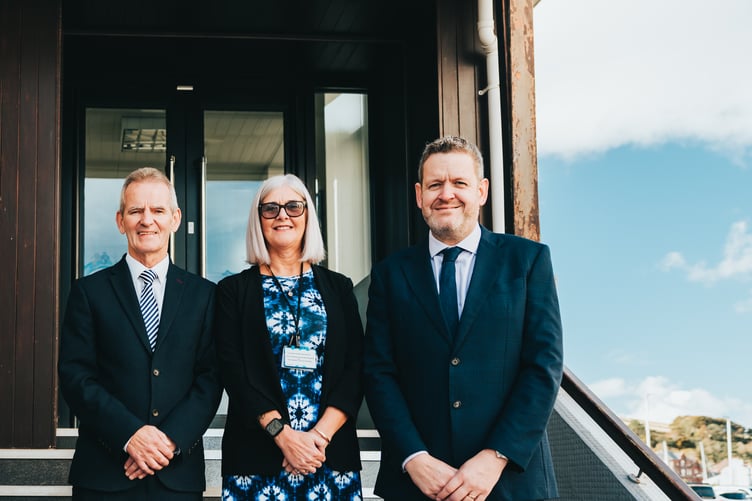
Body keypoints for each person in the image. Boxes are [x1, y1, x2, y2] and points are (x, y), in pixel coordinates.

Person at [364, 136, 564, 501]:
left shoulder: (528, 261)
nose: (446, 194)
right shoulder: (390, 275)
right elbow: (379, 373)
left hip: (509, 482)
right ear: (419, 194)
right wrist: (414, 457)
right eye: (435, 184)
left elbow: (543, 367)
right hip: (419, 484)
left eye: (459, 183)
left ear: (482, 190)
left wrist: (496, 456)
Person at [59, 167, 222, 500]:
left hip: (176, 475)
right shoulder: (89, 292)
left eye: (158, 210)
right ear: (121, 221)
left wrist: (167, 442)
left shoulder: (205, 295)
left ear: (175, 219)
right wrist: (131, 436)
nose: (147, 220)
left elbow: (211, 378)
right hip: (105, 474)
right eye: (136, 211)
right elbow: (77, 377)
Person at [214, 174, 364, 500]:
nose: (283, 215)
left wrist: (316, 439)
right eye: (271, 209)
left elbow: (356, 367)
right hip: (256, 459)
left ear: (308, 215)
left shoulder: (339, 288)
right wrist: (283, 436)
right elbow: (232, 371)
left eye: (294, 207)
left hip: (328, 457)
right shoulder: (232, 292)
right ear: (258, 220)